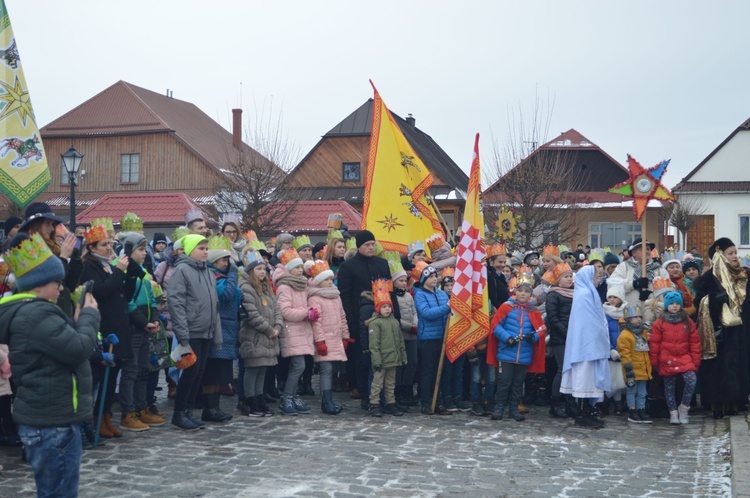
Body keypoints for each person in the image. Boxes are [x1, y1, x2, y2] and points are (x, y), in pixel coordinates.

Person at [0, 232, 100, 497]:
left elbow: (62, 347)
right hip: (53, 422)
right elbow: (78, 350)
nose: (60, 288)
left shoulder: (33, 312)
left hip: (49, 418)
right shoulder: (36, 314)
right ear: (39, 283)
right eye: (57, 282)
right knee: (59, 493)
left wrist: (78, 320)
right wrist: (90, 317)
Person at [80, 224, 136, 438]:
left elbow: (123, 293)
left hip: (118, 326)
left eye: (110, 244)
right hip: (104, 326)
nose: (108, 248)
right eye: (104, 245)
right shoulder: (89, 267)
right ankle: (97, 419)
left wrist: (128, 274)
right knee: (104, 376)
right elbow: (101, 292)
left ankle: (106, 418)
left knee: (113, 376)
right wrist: (119, 272)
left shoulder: (109, 265)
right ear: (92, 247)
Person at [168, 234, 222, 431]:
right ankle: (179, 413)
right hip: (191, 331)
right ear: (190, 250)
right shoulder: (182, 270)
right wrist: (183, 334)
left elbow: (213, 304)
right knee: (190, 373)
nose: (205, 252)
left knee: (199, 373)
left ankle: (188, 411)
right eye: (201, 248)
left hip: (206, 331)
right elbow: (177, 303)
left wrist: (216, 332)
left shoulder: (208, 272)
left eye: (207, 248)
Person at [337, 230, 397, 404]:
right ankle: (364, 392)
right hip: (360, 318)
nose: (371, 247)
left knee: (384, 356)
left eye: (373, 244)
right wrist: (350, 321)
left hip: (384, 317)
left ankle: (385, 395)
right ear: (359, 247)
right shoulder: (348, 266)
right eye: (367, 245)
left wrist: (395, 315)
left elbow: (390, 292)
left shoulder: (382, 264)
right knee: (363, 357)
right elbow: (345, 296)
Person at [694, 237, 750, 419]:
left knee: (739, 365)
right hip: (718, 332)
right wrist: (714, 301)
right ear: (720, 256)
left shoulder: (744, 276)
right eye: (730, 253)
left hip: (742, 331)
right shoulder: (708, 280)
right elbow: (699, 303)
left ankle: (737, 401)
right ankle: (717, 403)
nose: (735, 256)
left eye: (735, 252)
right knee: (719, 368)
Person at [117, 232, 166, 431]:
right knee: (131, 371)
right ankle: (128, 412)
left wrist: (153, 319)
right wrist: (143, 322)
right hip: (132, 328)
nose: (144, 253)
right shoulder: (123, 271)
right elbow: (127, 302)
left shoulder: (143, 272)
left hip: (145, 328)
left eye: (145, 249)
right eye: (140, 249)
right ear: (128, 250)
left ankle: (141, 407)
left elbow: (152, 299)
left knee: (143, 369)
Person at [560, 265, 612, 429]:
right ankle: (582, 414)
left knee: (591, 380)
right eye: (596, 277)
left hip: (592, 345)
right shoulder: (584, 295)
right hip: (585, 347)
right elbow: (590, 322)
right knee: (585, 380)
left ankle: (589, 411)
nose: (598, 280)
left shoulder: (588, 294)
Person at [488, 280, 543, 421]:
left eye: (526, 291)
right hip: (506, 352)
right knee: (504, 381)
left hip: (524, 354)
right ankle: (499, 407)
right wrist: (507, 338)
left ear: (530, 295)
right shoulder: (506, 307)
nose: (523, 294)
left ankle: (514, 408)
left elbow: (541, 330)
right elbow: (496, 326)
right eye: (520, 291)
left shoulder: (534, 311)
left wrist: (534, 337)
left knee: (518, 383)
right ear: (515, 292)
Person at [201, 238, 241, 423]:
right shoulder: (213, 276)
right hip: (219, 327)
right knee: (213, 371)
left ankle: (216, 407)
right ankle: (209, 408)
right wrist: (233, 276)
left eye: (227, 260)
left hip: (228, 327)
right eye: (222, 260)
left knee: (221, 373)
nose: (226, 263)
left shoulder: (222, 275)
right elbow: (226, 294)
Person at [19, 202, 82, 317]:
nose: (52, 228)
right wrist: (63, 257)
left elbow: (69, 285)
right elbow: (49, 282)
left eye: (53, 224)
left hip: (62, 309)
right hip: (44, 312)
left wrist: (76, 258)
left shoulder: (54, 248)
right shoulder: (29, 250)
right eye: (47, 223)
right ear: (35, 224)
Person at [273, 248, 316, 415]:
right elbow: (285, 311)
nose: (301, 270)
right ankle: (287, 397)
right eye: (297, 268)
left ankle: (293, 395)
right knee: (299, 366)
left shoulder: (301, 285)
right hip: (291, 331)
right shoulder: (285, 287)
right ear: (290, 269)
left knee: (300, 366)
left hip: (302, 330)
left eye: (301, 267)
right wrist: (306, 313)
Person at [238, 251, 281, 417]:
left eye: (264, 268)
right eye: (258, 269)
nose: (263, 272)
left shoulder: (267, 288)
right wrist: (269, 330)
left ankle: (260, 397)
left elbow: (276, 309)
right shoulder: (247, 288)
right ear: (251, 271)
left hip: (269, 337)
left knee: (263, 369)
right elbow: (252, 314)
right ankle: (250, 400)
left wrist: (277, 326)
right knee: (252, 369)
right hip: (255, 336)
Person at [649, 291, 701, 424]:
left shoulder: (687, 321)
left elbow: (694, 342)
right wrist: (654, 362)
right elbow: (655, 343)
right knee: (669, 386)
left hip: (684, 357)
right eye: (671, 303)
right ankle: (673, 412)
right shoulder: (660, 323)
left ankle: (684, 407)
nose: (675, 306)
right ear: (667, 305)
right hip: (667, 359)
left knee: (691, 380)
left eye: (677, 303)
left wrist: (695, 361)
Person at [306, 260, 350, 415]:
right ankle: (326, 402)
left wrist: (345, 336)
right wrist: (319, 341)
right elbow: (316, 322)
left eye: (331, 279)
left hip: (335, 337)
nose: (330, 282)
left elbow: (342, 317)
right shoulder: (314, 298)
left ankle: (329, 400)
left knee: (331, 370)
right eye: (326, 279)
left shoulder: (335, 296)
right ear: (318, 282)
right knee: (326, 369)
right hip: (324, 339)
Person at [414, 264, 452, 415]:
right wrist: (447, 307)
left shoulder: (442, 294)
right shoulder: (420, 295)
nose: (434, 279)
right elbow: (427, 313)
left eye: (435, 276)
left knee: (440, 371)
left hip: (442, 337)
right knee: (428, 372)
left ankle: (438, 402)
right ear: (424, 279)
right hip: (428, 338)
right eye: (430, 277)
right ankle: (426, 402)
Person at [367, 279, 408, 417]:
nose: (387, 309)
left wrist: (402, 356)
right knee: (377, 383)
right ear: (378, 308)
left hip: (393, 358)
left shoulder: (395, 322)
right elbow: (374, 345)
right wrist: (376, 360)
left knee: (391, 383)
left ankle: (391, 402)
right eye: (384, 307)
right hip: (382, 359)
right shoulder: (376, 324)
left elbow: (400, 341)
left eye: (389, 307)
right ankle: (374, 403)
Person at [545, 262, 575, 418]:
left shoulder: (576, 293)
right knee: (562, 369)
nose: (569, 279)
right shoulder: (553, 295)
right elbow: (553, 318)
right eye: (566, 277)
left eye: (571, 276)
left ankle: (570, 403)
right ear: (558, 280)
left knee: (572, 371)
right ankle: (555, 404)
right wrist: (567, 333)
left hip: (574, 338)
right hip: (560, 338)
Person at [616, 305, 653, 424]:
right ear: (628, 318)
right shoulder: (625, 335)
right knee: (632, 390)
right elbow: (625, 353)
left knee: (642, 392)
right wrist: (629, 370)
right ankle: (632, 411)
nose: (638, 319)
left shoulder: (642, 332)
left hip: (644, 368)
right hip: (632, 368)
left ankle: (641, 409)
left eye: (639, 317)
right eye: (635, 317)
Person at [390, 257, 418, 409]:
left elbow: (414, 312)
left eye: (404, 280)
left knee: (412, 362)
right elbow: (395, 317)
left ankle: (407, 389)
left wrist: (415, 324)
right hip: (400, 334)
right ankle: (399, 391)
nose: (403, 283)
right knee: (401, 364)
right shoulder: (392, 297)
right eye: (400, 280)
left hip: (412, 335)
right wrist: (409, 326)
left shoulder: (408, 296)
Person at [609, 238, 668, 307]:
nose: (646, 251)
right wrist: (634, 284)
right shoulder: (624, 267)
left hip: (653, 312)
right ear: (634, 253)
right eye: (642, 249)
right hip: (630, 313)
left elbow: (668, 291)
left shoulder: (659, 269)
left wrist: (651, 295)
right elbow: (612, 286)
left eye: (648, 249)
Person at [603, 285, 627, 415]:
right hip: (611, 352)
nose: (612, 300)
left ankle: (617, 403)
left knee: (621, 379)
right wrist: (611, 349)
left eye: (615, 297)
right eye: (610, 297)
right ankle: (605, 400)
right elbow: (604, 334)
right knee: (614, 380)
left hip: (623, 351)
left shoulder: (626, 312)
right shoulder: (605, 313)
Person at [487, 243, 510, 311]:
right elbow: (493, 299)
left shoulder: (501, 276)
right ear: (491, 261)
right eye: (500, 262)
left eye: (504, 262)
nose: (503, 265)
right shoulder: (489, 276)